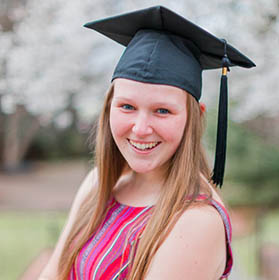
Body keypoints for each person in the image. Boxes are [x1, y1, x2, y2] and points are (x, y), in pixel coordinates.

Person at [39, 5, 255, 280]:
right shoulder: (98, 187)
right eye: (127, 106)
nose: (140, 129)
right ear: (108, 108)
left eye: (162, 110)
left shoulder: (195, 219)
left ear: (195, 118)